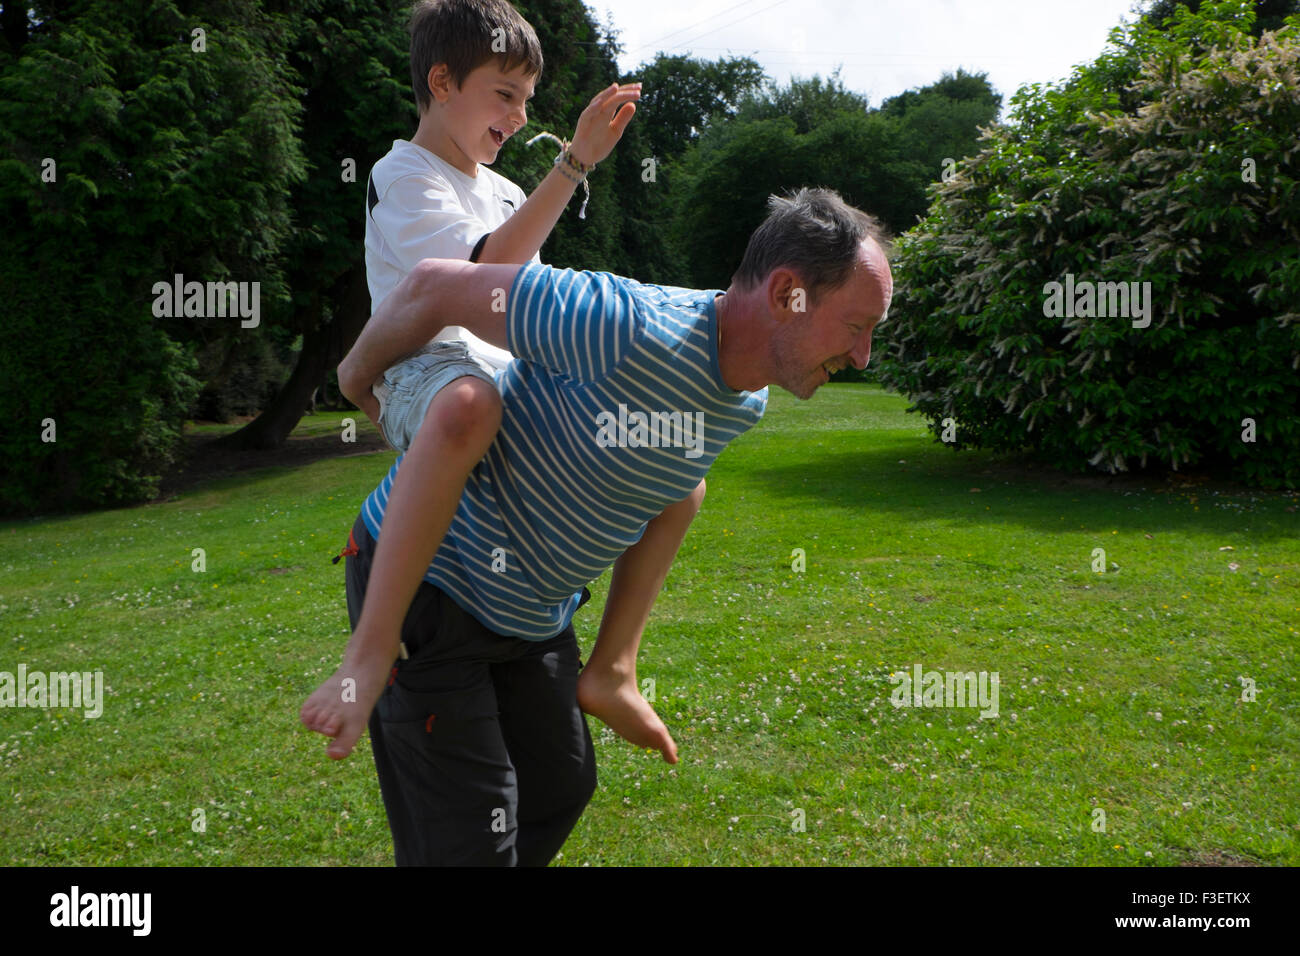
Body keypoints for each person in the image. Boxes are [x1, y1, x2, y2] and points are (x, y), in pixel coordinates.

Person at [303, 186, 893, 865]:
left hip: (531, 615)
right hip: (432, 584)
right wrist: (355, 379)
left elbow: (674, 486)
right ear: (788, 292)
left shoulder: (744, 399)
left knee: (557, 786)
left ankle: (612, 671)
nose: (864, 357)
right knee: (472, 838)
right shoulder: (624, 324)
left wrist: (613, 656)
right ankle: (369, 657)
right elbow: (436, 284)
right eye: (856, 327)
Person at [303, 0, 698, 768]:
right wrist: (574, 163)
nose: (520, 115)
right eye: (505, 93)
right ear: (443, 81)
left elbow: (529, 314)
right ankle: (371, 649)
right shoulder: (402, 174)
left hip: (507, 372)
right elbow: (475, 280)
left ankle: (614, 667)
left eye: (527, 99)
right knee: (465, 406)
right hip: (431, 373)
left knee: (677, 464)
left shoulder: (510, 192)